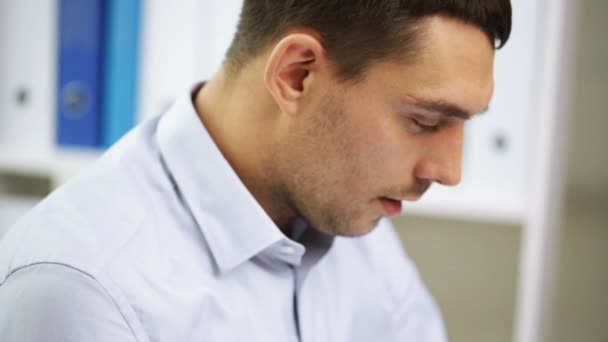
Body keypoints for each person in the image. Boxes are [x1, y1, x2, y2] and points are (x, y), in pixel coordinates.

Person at [0, 1, 511, 341]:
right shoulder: (83, 289)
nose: (448, 171)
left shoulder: (356, 221)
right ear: (296, 75)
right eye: (425, 120)